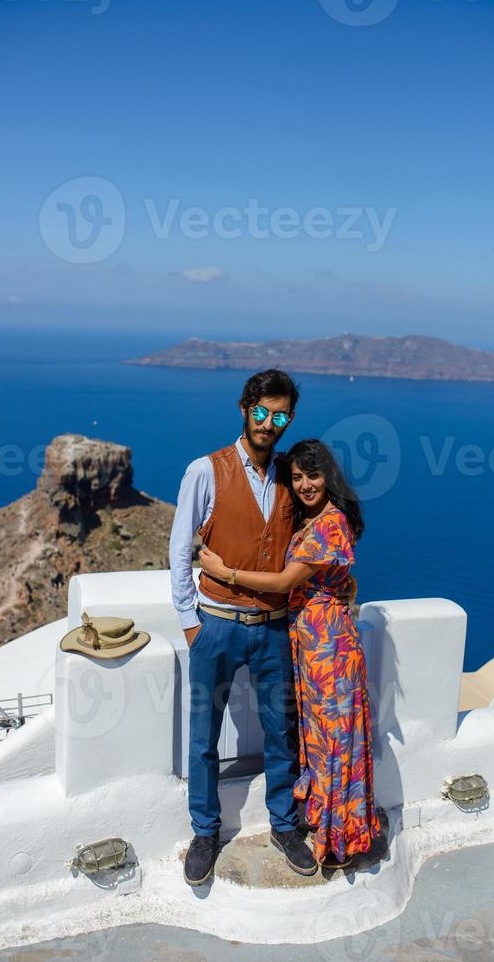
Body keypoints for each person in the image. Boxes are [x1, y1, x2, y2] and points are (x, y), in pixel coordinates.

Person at [200, 438, 382, 868]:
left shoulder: (331, 523)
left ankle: (341, 836)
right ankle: (324, 822)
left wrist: (223, 573)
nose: (304, 484)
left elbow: (285, 582)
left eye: (312, 475)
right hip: (309, 646)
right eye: (296, 477)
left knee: (335, 742)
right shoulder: (313, 519)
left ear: (329, 476)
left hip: (330, 650)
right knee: (316, 740)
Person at [169, 369, 318, 887]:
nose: (269, 423)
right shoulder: (205, 471)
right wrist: (190, 623)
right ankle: (205, 832)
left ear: (289, 419)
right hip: (217, 625)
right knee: (204, 737)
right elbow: (180, 548)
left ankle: (285, 825)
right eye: (261, 411)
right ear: (244, 409)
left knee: (283, 732)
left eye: (280, 415)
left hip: (275, 628)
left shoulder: (290, 477)